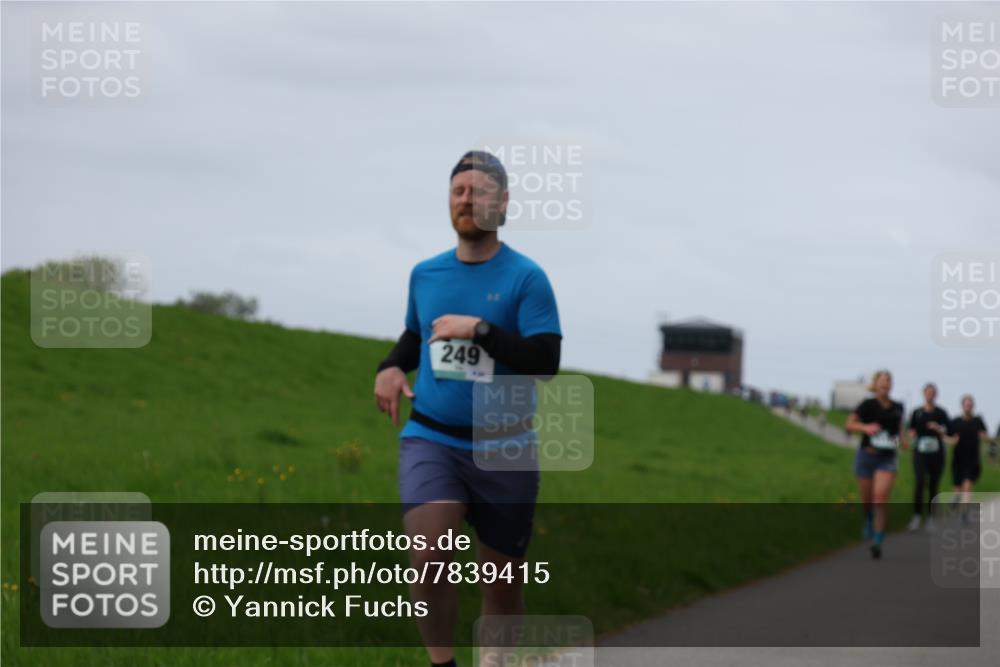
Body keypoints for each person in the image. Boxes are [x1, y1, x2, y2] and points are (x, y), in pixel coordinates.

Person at [373, 150, 561, 667]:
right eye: (458, 191)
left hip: (506, 448)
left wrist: (480, 330)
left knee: (500, 585)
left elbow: (545, 361)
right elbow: (416, 336)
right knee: (429, 557)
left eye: (478, 191)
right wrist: (391, 366)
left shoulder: (527, 278)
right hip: (432, 439)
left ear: (503, 203)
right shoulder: (425, 274)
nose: (466, 199)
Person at [845, 370, 906, 559]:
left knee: (879, 499)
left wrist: (904, 441)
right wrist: (865, 427)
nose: (885, 385)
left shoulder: (898, 406)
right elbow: (849, 424)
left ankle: (877, 541)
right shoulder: (867, 404)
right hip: (866, 456)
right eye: (882, 381)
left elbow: (900, 429)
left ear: (891, 385)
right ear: (876, 384)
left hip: (887, 458)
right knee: (867, 501)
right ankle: (868, 518)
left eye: (888, 381)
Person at [906, 383, 948, 531]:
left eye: (932, 393)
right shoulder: (917, 412)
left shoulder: (941, 413)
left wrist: (938, 428)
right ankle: (917, 516)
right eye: (927, 392)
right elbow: (911, 429)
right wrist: (911, 434)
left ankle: (931, 518)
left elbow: (948, 431)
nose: (929, 395)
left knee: (933, 485)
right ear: (924, 394)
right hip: (920, 452)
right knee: (919, 482)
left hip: (937, 454)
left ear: (935, 395)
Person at [944, 395, 989, 509]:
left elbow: (985, 436)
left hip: (973, 460)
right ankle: (956, 499)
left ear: (973, 406)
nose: (968, 407)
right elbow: (946, 437)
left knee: (968, 486)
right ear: (962, 406)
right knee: (958, 489)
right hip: (958, 459)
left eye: (970, 405)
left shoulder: (978, 421)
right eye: (966, 405)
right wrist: (952, 440)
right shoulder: (955, 422)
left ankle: (964, 513)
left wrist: (983, 436)